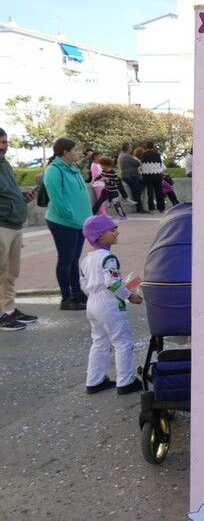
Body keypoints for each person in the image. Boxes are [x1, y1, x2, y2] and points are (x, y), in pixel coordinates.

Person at [80, 215, 143, 394]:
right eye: (112, 230)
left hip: (92, 302)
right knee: (122, 341)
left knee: (99, 341)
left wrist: (94, 295)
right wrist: (129, 296)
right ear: (99, 235)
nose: (117, 233)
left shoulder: (86, 259)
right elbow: (112, 283)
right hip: (108, 302)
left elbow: (83, 283)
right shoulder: (108, 258)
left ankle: (94, 380)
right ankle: (125, 381)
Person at [45, 137, 93, 310]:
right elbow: (57, 200)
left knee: (74, 260)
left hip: (79, 223)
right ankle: (66, 298)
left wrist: (86, 218)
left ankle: (77, 293)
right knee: (66, 260)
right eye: (75, 150)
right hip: (63, 223)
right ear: (65, 152)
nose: (78, 152)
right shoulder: (53, 170)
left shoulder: (73, 167)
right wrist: (72, 217)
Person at [0, 127, 38, 331]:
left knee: (11, 272)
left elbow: (8, 193)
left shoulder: (5, 164)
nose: (2, 146)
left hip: (14, 225)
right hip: (2, 225)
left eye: (4, 142)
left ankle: (9, 310)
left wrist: (22, 198)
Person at [118, 142, 147, 213]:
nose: (131, 149)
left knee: (138, 188)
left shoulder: (121, 155)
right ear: (127, 148)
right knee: (137, 191)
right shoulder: (127, 156)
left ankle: (139, 206)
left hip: (127, 176)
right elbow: (137, 163)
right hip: (131, 177)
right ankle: (140, 209)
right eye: (130, 147)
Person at [140, 142, 166, 213]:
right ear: (153, 147)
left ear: (147, 147)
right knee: (159, 192)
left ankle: (151, 209)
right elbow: (161, 165)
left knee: (150, 192)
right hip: (157, 175)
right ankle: (161, 208)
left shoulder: (143, 155)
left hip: (148, 176)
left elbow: (142, 166)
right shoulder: (157, 155)